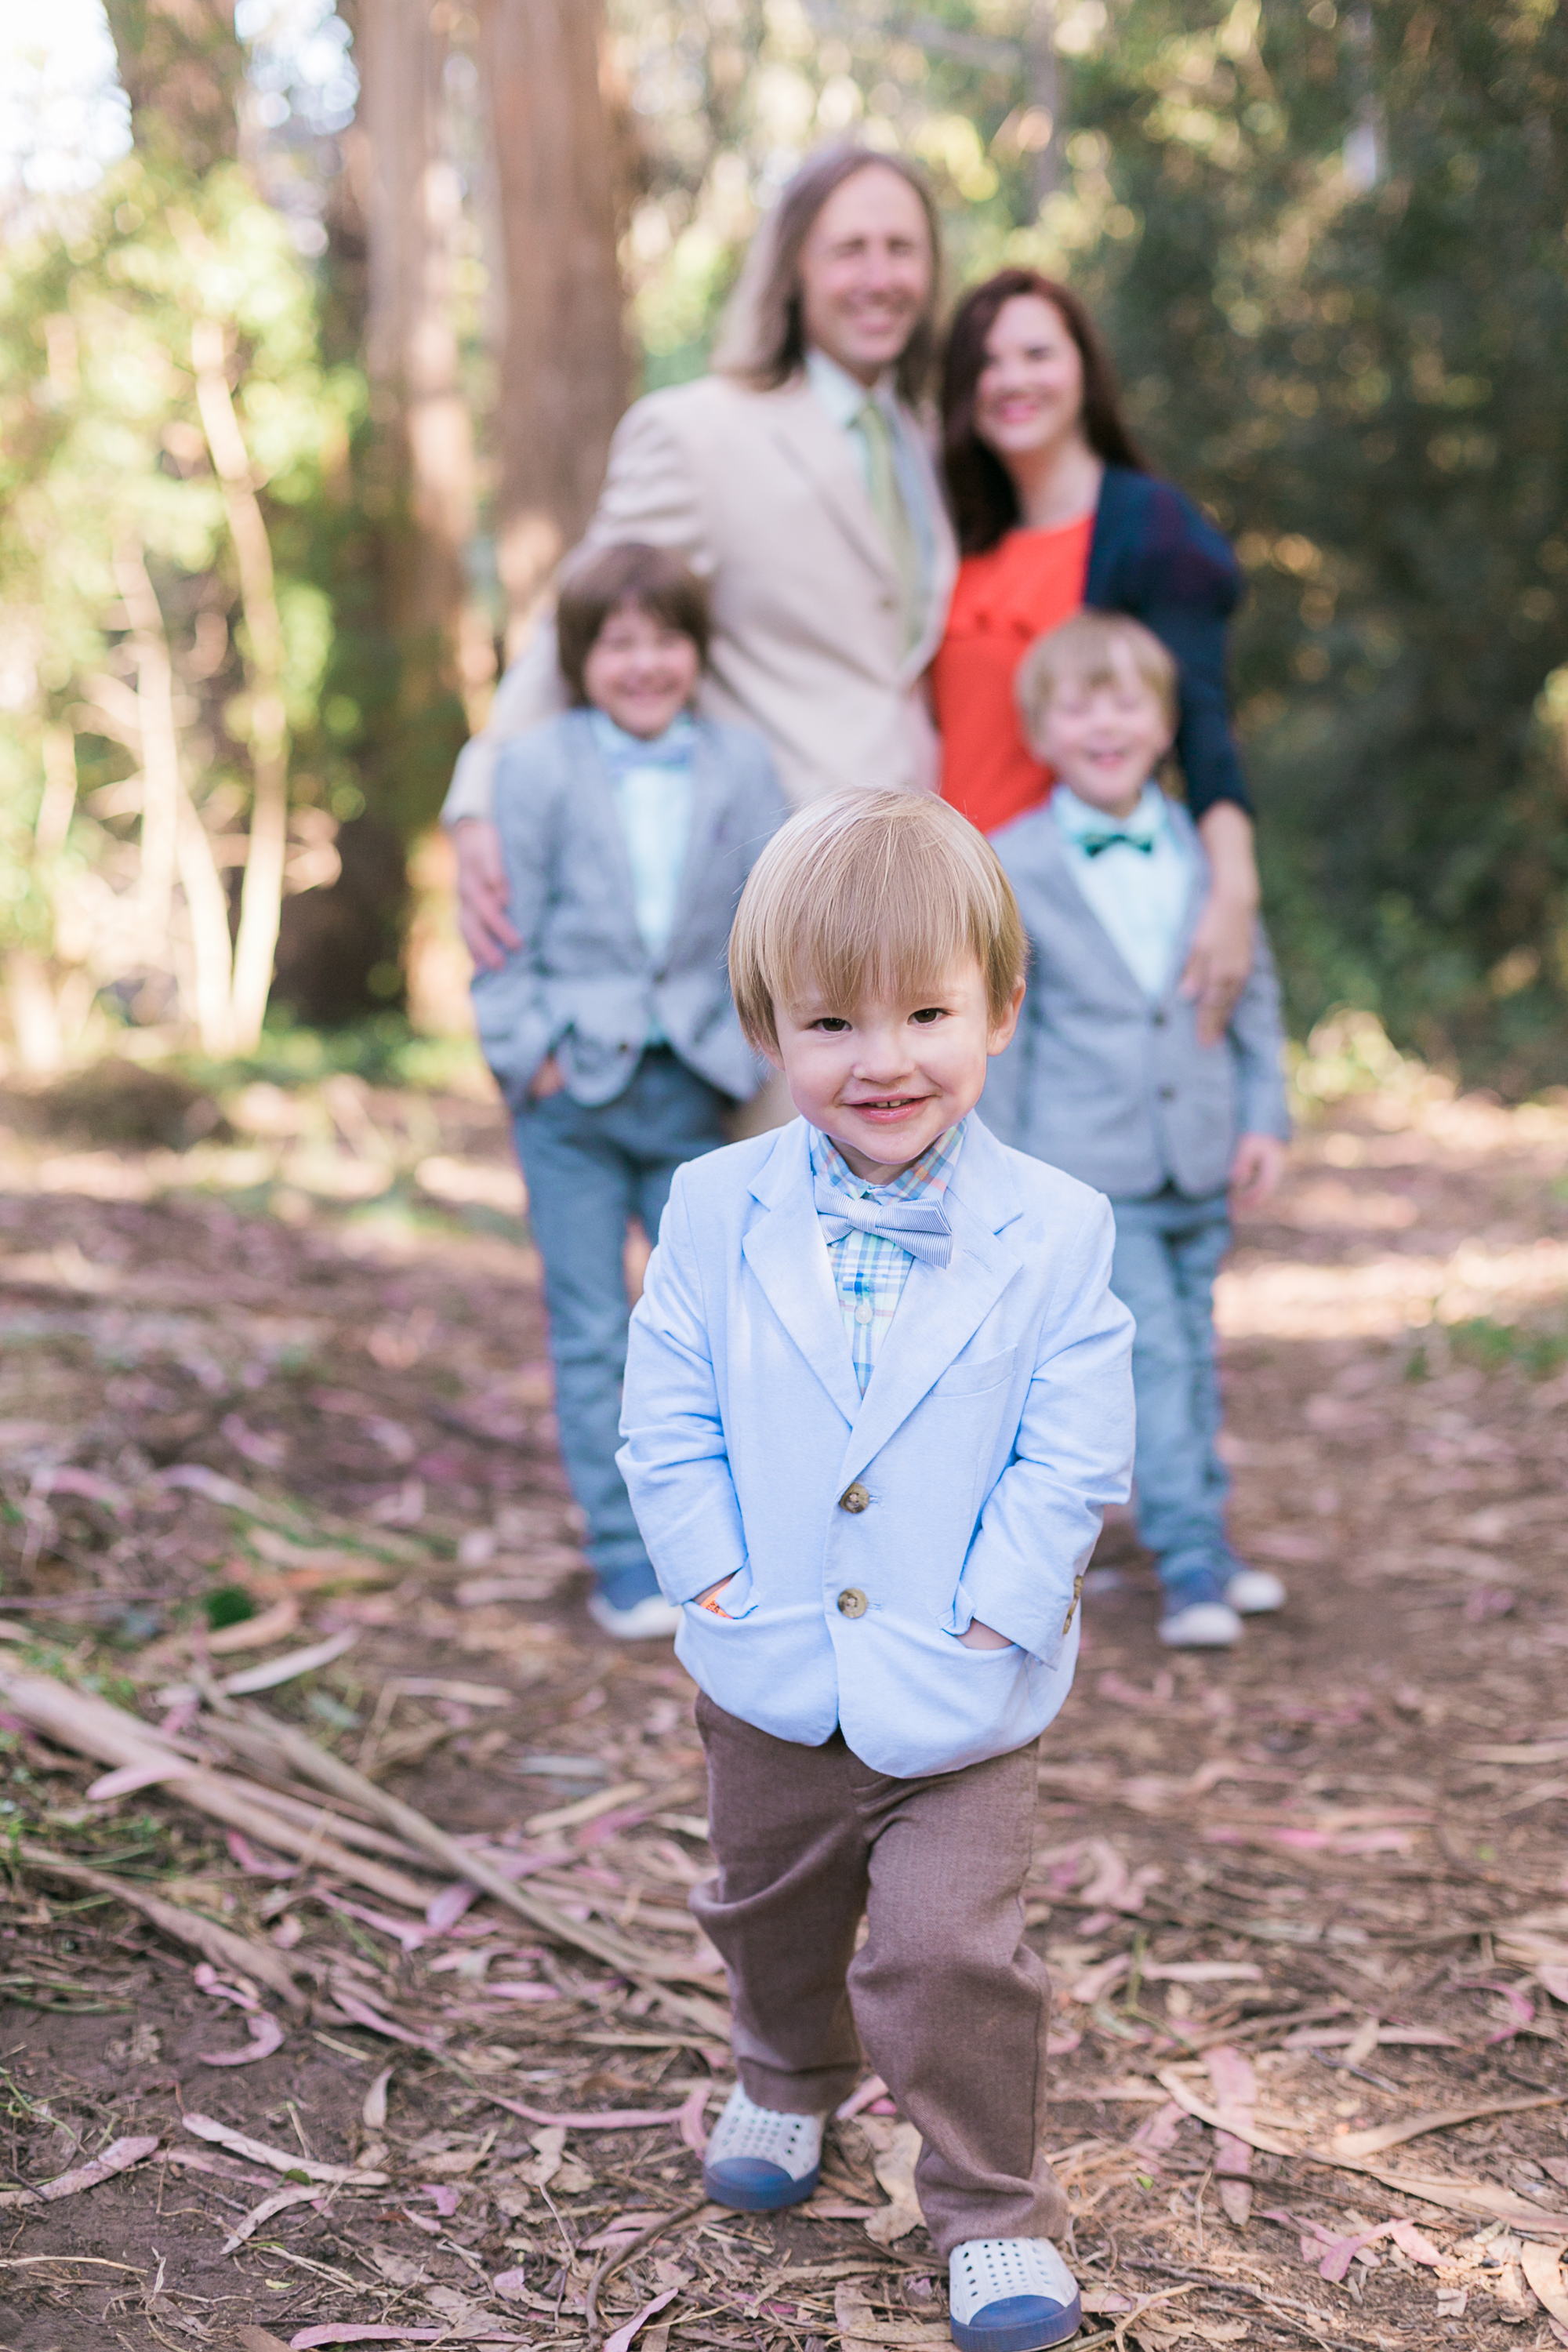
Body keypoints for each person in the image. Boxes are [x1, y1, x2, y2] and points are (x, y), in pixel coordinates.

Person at [616, 791, 1134, 2352]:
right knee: (766, 1906)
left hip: (962, 1674)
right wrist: (708, 1574)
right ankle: (784, 2075)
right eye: (832, 1020)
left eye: (925, 1011)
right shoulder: (716, 1207)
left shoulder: (1058, 1229)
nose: (882, 1057)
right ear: (769, 1026)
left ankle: (988, 2204)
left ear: (1000, 1009)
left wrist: (1008, 1598)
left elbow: (1073, 1441)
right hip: (765, 1655)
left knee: (948, 1947)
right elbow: (667, 1405)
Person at [446, 143, 959, 972]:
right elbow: (579, 622)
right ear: (793, 268)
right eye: (849, 249)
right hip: (773, 889)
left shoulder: (927, 443)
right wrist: (481, 796)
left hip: (919, 886)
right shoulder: (697, 434)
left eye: (901, 249)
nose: (880, 275)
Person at [471, 544, 786, 1640]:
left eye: (667, 639)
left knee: (717, 1328)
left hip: (694, 1082)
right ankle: (622, 1560)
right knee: (592, 1325)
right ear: (580, 657)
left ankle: (725, 1550)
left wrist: (754, 1053)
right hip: (570, 1092)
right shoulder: (537, 766)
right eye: (619, 643)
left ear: (697, 652)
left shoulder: (744, 768)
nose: (645, 663)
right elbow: (500, 935)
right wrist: (530, 1055)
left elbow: (770, 922)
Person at [983, 611, 1289, 1650]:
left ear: (1165, 727)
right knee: (1154, 1349)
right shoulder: (1010, 863)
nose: (1104, 723)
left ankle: (1200, 1526)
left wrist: (1264, 1116)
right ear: (1041, 732)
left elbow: (1254, 990)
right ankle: (1191, 1552)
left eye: (1126, 702)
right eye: (1079, 704)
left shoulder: (1213, 859)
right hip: (1087, 1165)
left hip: (1196, 1150)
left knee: (1190, 1346)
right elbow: (1005, 1032)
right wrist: (1002, 1172)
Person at [935, 267, 1260, 1046]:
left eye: (1036, 353)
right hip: (948, 914)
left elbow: (1203, 728)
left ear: (1083, 368)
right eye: (985, 362)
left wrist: (1233, 891)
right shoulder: (953, 536)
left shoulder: (1147, 528)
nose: (1010, 379)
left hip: (1069, 932)